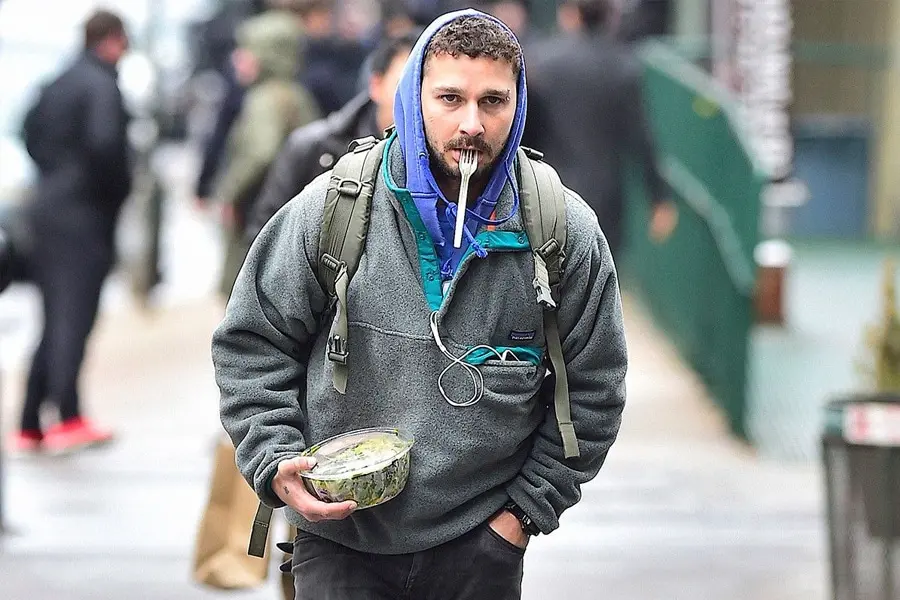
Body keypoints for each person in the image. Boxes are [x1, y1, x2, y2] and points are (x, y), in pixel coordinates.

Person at [213, 9, 626, 599]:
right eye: (449, 98)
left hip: (481, 546)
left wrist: (520, 518)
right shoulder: (334, 208)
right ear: (412, 97)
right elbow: (252, 342)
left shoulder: (561, 232)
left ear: (519, 105)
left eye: (493, 102)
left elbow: (595, 389)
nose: (471, 124)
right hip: (339, 540)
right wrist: (273, 458)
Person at [10, 10, 132, 454]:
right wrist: (112, 193)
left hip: (46, 210)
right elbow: (106, 148)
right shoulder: (101, 85)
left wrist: (55, 172)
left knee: (52, 316)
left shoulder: (57, 81)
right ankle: (68, 416)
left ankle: (28, 423)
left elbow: (26, 131)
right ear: (114, 40)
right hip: (83, 218)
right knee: (74, 318)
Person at [524, 0, 677, 257]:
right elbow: (641, 138)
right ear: (609, 18)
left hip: (547, 190)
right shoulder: (624, 67)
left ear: (570, 15)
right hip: (606, 199)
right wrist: (659, 197)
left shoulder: (541, 63)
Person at [247, 31, 417, 239]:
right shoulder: (313, 146)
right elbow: (266, 238)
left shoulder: (442, 162)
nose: (414, 100)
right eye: (405, 85)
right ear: (376, 84)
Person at [211, 8, 320, 298]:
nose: (238, 59)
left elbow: (261, 151)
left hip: (258, 216)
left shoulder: (265, 100)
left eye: (247, 51)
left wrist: (229, 193)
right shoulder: (296, 94)